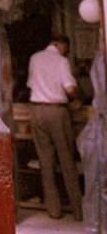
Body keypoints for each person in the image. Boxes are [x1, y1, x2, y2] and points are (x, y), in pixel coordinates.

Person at [27, 33, 83, 220]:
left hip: (36, 111)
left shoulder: (34, 58)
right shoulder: (61, 61)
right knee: (67, 160)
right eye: (66, 48)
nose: (67, 52)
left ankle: (54, 210)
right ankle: (78, 211)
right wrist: (77, 99)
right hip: (56, 112)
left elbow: (30, 84)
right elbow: (69, 88)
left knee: (46, 163)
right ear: (60, 44)